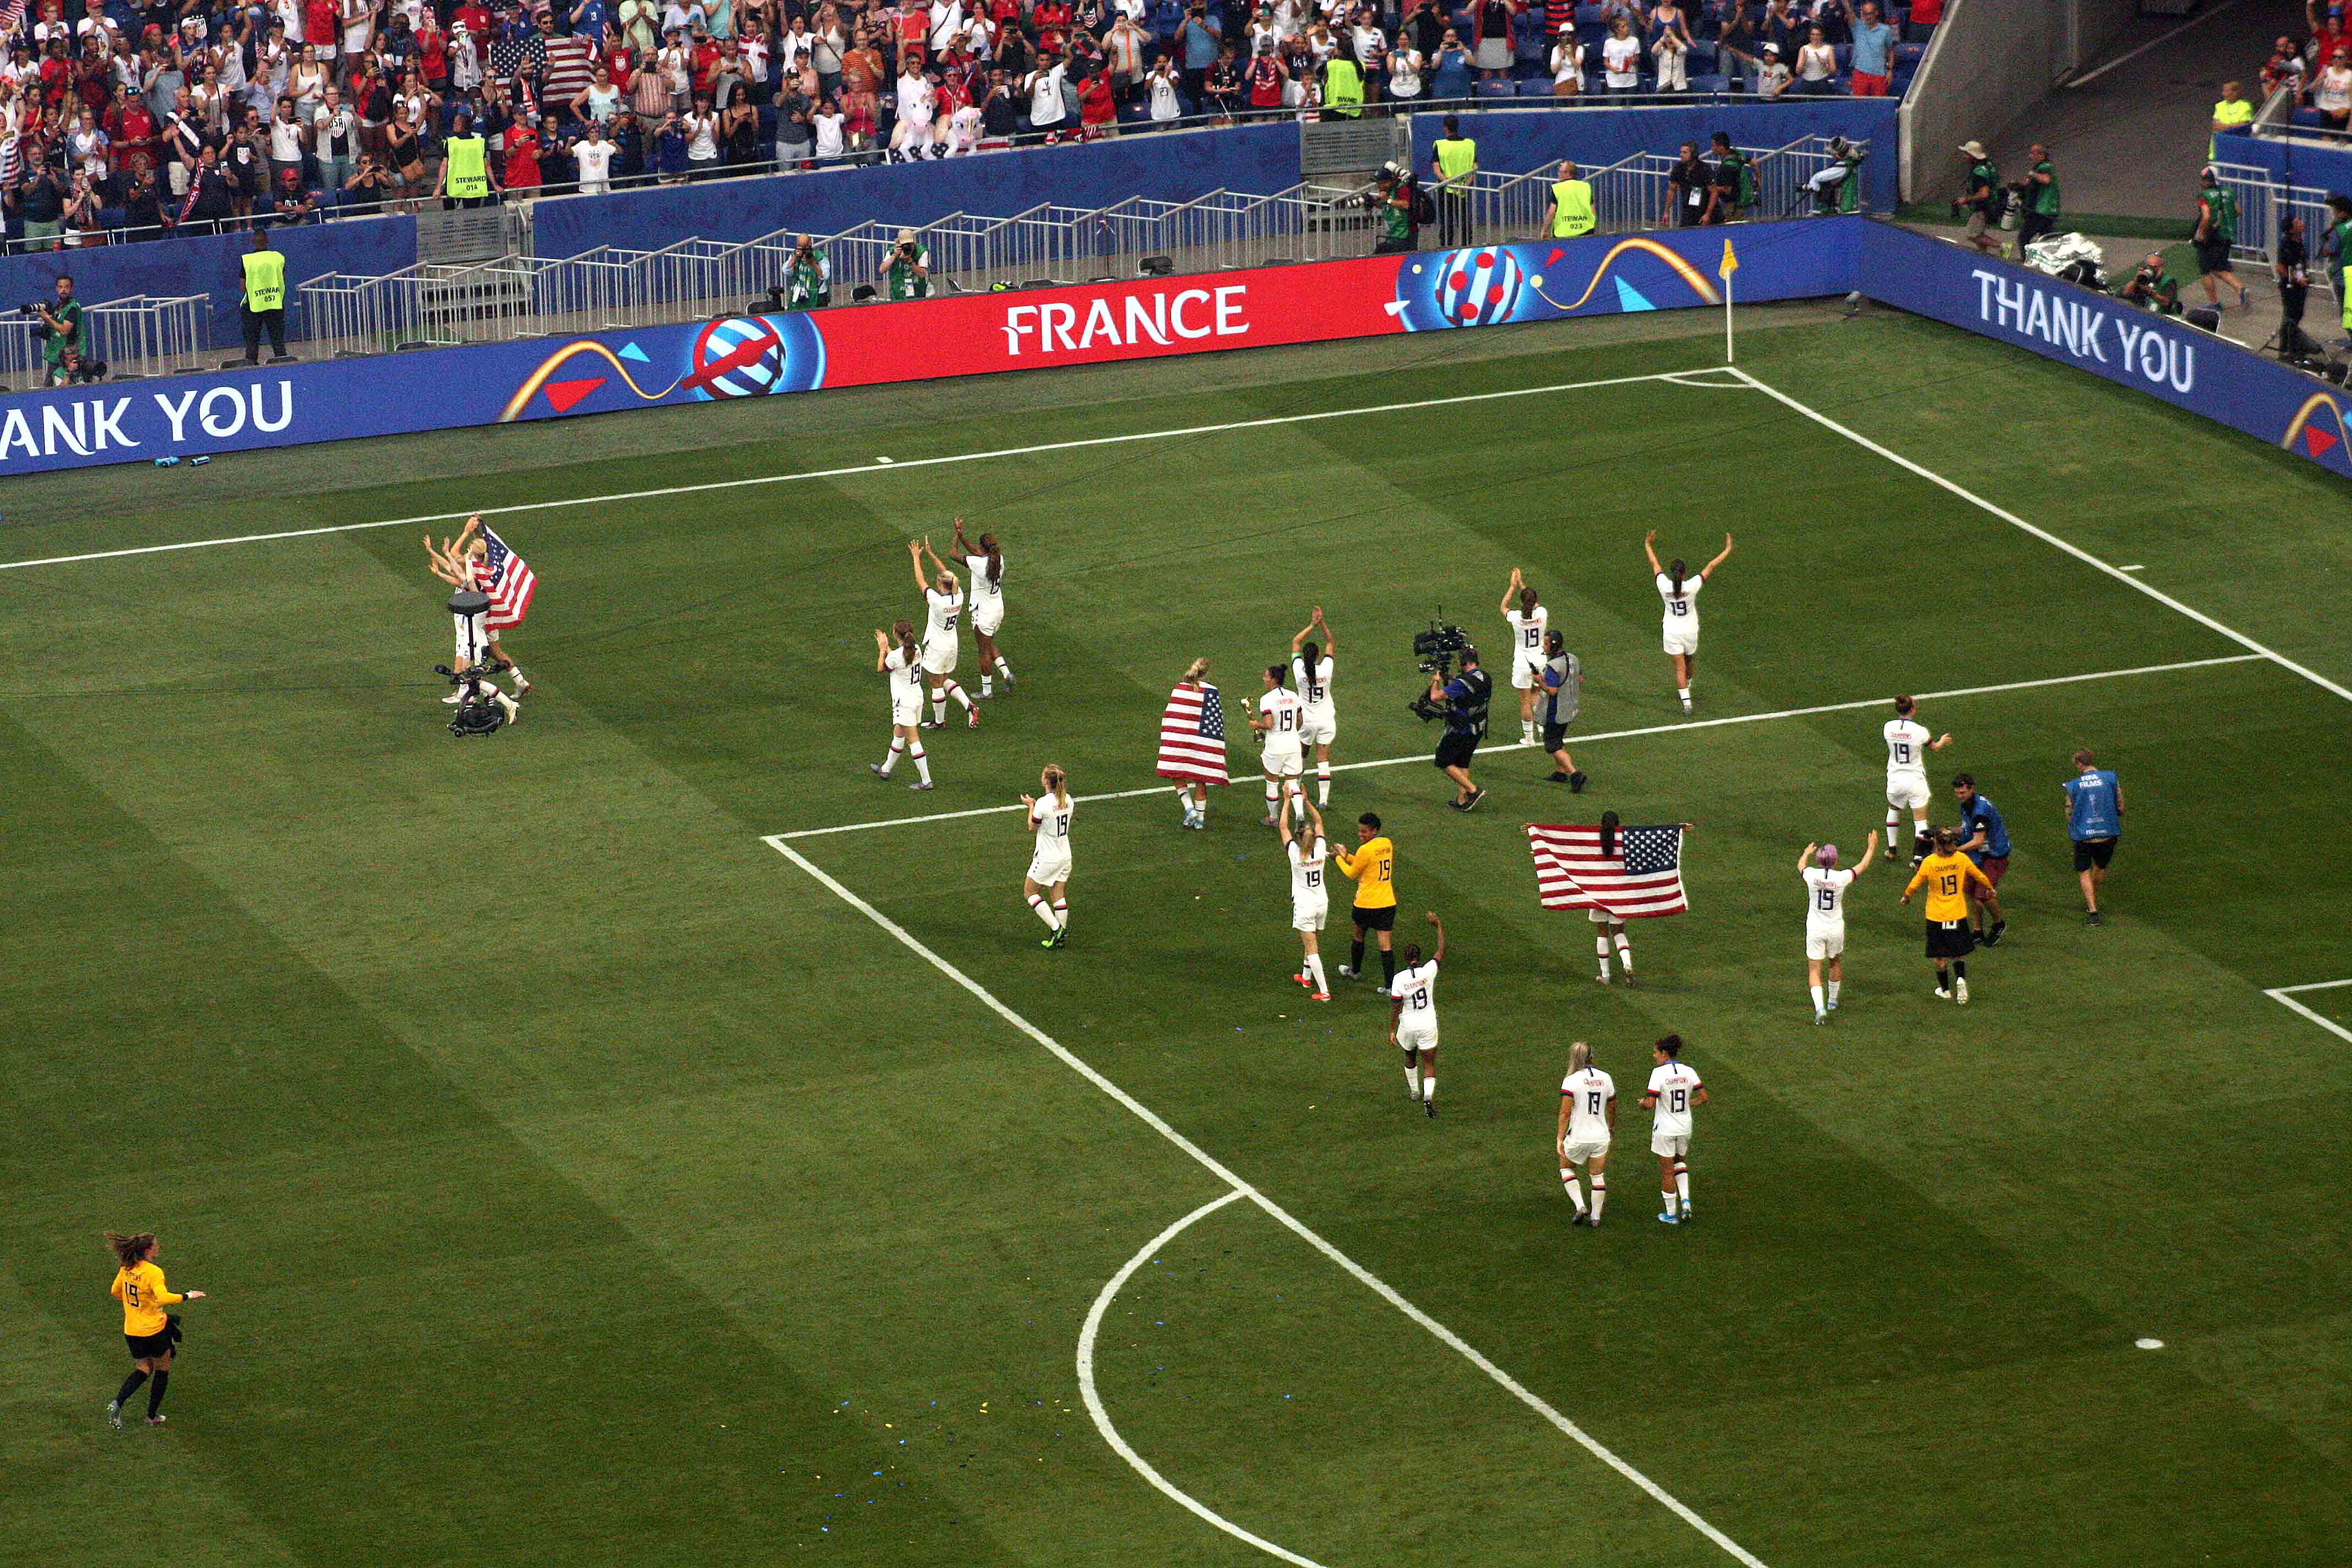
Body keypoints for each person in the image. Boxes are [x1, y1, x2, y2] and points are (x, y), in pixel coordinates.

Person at [105, 1231, 206, 1429]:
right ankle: (151, 1417)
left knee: (143, 1368)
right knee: (162, 1368)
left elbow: (115, 1291)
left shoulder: (127, 1268)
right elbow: (163, 1297)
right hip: (154, 1330)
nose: (158, 1248)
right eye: (156, 1245)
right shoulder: (153, 1272)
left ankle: (118, 1402)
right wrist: (188, 1295)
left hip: (132, 1331)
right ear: (148, 1250)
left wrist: (137, 1305)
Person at [1643, 529, 1733, 714]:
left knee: (1679, 668)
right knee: (1689, 661)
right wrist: (1727, 550)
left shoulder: (1664, 585)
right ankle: (1688, 685)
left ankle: (1687, 705)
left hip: (1672, 632)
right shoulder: (1691, 586)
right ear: (1684, 574)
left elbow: (1654, 564)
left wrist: (1648, 544)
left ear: (1672, 573)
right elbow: (1710, 567)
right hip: (1690, 631)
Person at [1901, 826, 1992, 1004]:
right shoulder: (1961, 859)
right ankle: (1960, 979)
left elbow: (1916, 882)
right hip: (1957, 914)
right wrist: (1990, 888)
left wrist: (1907, 896)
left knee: (1939, 956)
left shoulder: (1930, 862)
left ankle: (1945, 990)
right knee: (1958, 952)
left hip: (1936, 916)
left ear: (1937, 845)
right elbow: (1979, 876)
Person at [1800, 836, 1875, 1023]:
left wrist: (1806, 853)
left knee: (1814, 969)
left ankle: (1820, 1009)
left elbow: (1801, 866)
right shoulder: (1841, 877)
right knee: (1835, 962)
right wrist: (1871, 847)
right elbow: (1862, 866)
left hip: (1815, 928)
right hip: (1835, 928)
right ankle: (1832, 1001)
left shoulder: (1811, 875)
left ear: (1819, 859)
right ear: (1835, 860)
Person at [911, 538, 979, 729]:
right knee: (945, 679)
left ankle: (939, 722)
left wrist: (916, 557)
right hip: (952, 644)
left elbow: (920, 581)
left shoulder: (937, 602)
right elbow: (946, 574)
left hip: (937, 646)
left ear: (942, 586)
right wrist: (932, 554)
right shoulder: (959, 596)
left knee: (936, 683)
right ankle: (970, 706)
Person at [1640, 1033, 1706, 1224]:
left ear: (1665, 1053)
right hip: (1685, 1126)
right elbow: (1704, 1098)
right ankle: (1685, 1201)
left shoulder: (1658, 1074)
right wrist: (1688, 1104)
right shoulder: (1689, 1071)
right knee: (1680, 1162)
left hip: (1666, 1129)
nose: (1654, 1056)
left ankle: (1671, 1215)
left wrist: (1642, 1104)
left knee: (1667, 1171)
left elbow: (1650, 1103)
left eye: (1656, 1053)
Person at [1386, 910, 1444, 1117]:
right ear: (1419, 958)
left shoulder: (1399, 979)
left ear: (1405, 958)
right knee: (1429, 1064)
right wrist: (1438, 925)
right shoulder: (1428, 971)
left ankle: (1414, 1091)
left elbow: (1396, 1006)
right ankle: (1428, 1098)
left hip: (1408, 1025)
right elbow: (1440, 951)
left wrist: (1392, 1029)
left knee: (1410, 1056)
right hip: (1428, 1024)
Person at [1883, 694, 1952, 864]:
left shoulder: (1888, 727)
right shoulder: (1920, 731)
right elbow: (1934, 747)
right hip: (1915, 779)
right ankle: (1918, 858)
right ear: (1913, 709)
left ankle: (1892, 850)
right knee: (1920, 820)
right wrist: (1943, 741)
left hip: (1895, 779)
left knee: (1894, 808)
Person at [949, 518, 1014, 698]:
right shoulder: (998, 559)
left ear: (983, 548)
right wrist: (962, 537)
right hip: (997, 609)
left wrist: (956, 536)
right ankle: (1006, 673)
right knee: (988, 642)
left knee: (983, 650)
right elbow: (976, 551)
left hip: (984, 613)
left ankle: (987, 691)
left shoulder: (979, 564)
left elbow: (953, 554)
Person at [1332, 810, 1397, 987]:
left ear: (1374, 831)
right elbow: (1368, 863)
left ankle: (1355, 971)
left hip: (1365, 904)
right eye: (1360, 831)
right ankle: (1390, 986)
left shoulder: (1365, 850)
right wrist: (1347, 856)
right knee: (1385, 946)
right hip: (1387, 903)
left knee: (1358, 936)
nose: (1360, 834)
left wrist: (1338, 859)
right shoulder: (1387, 844)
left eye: (1364, 831)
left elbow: (1352, 873)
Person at [869, 620, 934, 788]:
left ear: (895, 634)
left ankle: (926, 781)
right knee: (899, 732)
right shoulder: (916, 649)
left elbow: (881, 668)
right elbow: (897, 659)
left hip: (904, 702)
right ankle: (886, 770)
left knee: (913, 740)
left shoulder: (897, 656)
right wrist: (888, 649)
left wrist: (882, 649)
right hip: (916, 697)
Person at [1947, 772, 2010, 946]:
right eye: (1957, 793)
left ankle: (1999, 924)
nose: (1960, 796)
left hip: (1994, 854)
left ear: (1972, 789)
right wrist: (1947, 831)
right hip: (1979, 854)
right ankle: (1978, 931)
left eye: (1963, 793)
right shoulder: (1968, 805)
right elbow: (1968, 829)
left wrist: (1956, 850)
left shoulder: (1980, 811)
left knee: (1984, 894)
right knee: (1969, 890)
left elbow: (1978, 840)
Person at [1556, 1041, 1615, 1226]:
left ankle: (1580, 1205)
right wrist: (1611, 1129)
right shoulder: (1606, 1078)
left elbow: (1565, 1113)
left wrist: (1560, 1138)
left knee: (1566, 1168)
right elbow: (1612, 1109)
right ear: (1593, 1057)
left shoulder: (1571, 1081)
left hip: (1578, 1136)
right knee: (1597, 1175)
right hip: (1601, 1136)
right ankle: (1596, 1217)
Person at [1427, 643, 1490, 812]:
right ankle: (1462, 801)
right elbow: (1467, 686)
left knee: (1443, 760)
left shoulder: (1461, 684)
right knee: (1462, 762)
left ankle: (1473, 791)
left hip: (1462, 728)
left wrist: (1436, 680)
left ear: (1464, 662)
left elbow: (1435, 697)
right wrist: (1452, 679)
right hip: (1478, 728)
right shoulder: (1484, 677)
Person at [1280, 795, 1331, 1000]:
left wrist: (1286, 800)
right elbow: (1319, 821)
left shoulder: (1295, 853)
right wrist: (1308, 802)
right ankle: (1306, 977)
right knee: (1311, 939)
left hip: (1305, 906)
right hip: (1322, 903)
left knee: (1312, 948)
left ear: (1299, 838)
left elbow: (1283, 827)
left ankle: (1324, 991)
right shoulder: (1320, 848)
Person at [2062, 747, 2121, 926]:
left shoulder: (2074, 785)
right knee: (2100, 867)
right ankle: (2092, 899)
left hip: (2084, 835)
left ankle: (2093, 910)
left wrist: (2074, 825)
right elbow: (2120, 805)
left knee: (2084, 871)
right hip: (2108, 833)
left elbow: (2069, 811)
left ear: (2079, 764)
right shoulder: (2110, 778)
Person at [1020, 763, 1074, 946]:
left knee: (1030, 892)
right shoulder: (1068, 800)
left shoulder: (1043, 803)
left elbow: (1032, 826)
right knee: (1058, 893)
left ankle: (1056, 929)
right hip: (1065, 854)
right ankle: (1060, 938)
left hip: (1047, 857)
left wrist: (1031, 805)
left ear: (1045, 781)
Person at [1289, 608, 1337, 808]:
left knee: (1301, 756)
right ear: (1318, 656)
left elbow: (1296, 642)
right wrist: (1321, 623)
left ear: (1304, 656)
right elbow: (1330, 642)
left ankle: (1295, 791)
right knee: (1323, 760)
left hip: (1306, 722)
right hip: (1326, 720)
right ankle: (1323, 801)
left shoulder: (1299, 671)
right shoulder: (1326, 669)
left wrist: (1311, 625)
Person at [1251, 662, 1308, 829]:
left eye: (1266, 676)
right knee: (1293, 782)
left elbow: (1269, 724)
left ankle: (1273, 818)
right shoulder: (1293, 696)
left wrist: (1256, 725)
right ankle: (1300, 816)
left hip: (1275, 746)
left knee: (1272, 782)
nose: (1264, 679)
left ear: (1273, 679)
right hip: (1293, 743)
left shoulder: (1267, 699)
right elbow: (1300, 721)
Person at [1500, 567, 1548, 745]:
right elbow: (1534, 603)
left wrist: (1512, 586)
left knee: (1525, 702)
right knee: (1537, 693)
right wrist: (1522, 585)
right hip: (1541, 660)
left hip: (1523, 663)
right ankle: (1542, 727)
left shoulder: (1516, 618)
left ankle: (1529, 738)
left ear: (1521, 602)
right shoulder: (1542, 614)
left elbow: (1503, 607)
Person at [2193, 165, 2250, 312]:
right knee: (2219, 268)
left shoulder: (2204, 196)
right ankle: (2240, 289)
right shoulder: (2229, 192)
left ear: (2208, 181)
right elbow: (2238, 211)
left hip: (2211, 238)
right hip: (2228, 236)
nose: (2202, 182)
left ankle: (2214, 304)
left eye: (2203, 179)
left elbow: (2206, 216)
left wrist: (2200, 234)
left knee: (2205, 269)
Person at [1537, 630, 1587, 791]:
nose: (1544, 647)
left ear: (1553, 646)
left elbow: (1552, 691)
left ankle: (1574, 774)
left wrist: (1540, 681)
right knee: (1558, 739)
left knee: (1553, 745)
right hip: (1570, 708)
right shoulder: (1572, 658)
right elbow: (1580, 679)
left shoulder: (1553, 666)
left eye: (1546, 644)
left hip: (1556, 712)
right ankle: (1560, 772)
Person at [237, 229, 289, 364]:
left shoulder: (247, 260)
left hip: (253, 306)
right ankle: (284, 368)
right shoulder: (278, 258)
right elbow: (283, 279)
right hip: (275, 304)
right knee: (278, 342)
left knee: (252, 343)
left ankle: (251, 370)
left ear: (253, 242)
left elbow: (243, 287)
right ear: (267, 241)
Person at [1429, 111, 1475, 247]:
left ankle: (1446, 247)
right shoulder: (1470, 144)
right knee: (1464, 218)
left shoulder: (1440, 145)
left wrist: (1450, 183)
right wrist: (1465, 185)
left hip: (1446, 189)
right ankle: (1467, 246)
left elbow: (1437, 170)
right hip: (1463, 188)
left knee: (1446, 220)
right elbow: (1475, 169)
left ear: (1445, 128)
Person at [33, 274, 84, 388]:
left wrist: (47, 318)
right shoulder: (59, 306)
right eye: (61, 287)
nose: (63, 290)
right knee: (49, 386)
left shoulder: (72, 308)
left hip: (68, 355)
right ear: (57, 289)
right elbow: (55, 327)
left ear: (71, 288)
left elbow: (65, 331)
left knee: (60, 387)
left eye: (66, 287)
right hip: (56, 353)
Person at [1951, 139, 2000, 255]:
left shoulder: (1979, 173)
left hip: (1982, 207)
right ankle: (1984, 256)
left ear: (1972, 155)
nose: (1964, 156)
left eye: (1966, 154)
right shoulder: (1988, 164)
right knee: (1978, 233)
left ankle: (2003, 246)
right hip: (1991, 203)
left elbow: (1984, 194)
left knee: (1972, 235)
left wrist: (1966, 199)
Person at [2278, 216, 2317, 358]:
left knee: (2297, 315)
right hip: (2290, 287)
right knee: (2290, 318)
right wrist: (2297, 280)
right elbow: (2281, 268)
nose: (2302, 223)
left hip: (2300, 286)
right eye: (2297, 223)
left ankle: (2293, 347)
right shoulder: (2286, 244)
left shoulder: (2299, 241)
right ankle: (2285, 350)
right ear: (2291, 229)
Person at [2011, 143, 2057, 251]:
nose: (2030, 156)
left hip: (2041, 210)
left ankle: (2027, 260)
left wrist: (2033, 174)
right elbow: (2031, 187)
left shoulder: (2045, 167)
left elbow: (2046, 180)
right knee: (2047, 239)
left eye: (2033, 153)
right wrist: (2019, 186)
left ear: (2041, 155)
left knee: (2024, 237)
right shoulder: (2039, 167)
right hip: (2044, 211)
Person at [1540, 157, 1594, 239]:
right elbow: (1593, 210)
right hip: (1586, 231)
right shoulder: (1586, 187)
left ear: (1569, 174)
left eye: (1561, 172)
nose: (1558, 174)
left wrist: (1545, 230)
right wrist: (1593, 226)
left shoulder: (1558, 188)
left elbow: (1551, 212)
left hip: (1564, 233)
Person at [2117, 252, 2184, 315]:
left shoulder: (2168, 281)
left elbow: (2167, 303)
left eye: (2155, 267)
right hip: (2144, 313)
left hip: (2164, 316)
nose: (2152, 270)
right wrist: (2136, 280)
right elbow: (2126, 294)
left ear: (2161, 267)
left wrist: (2151, 293)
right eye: (2149, 267)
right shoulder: (2144, 278)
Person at [785, 233, 832, 309]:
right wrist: (794, 258)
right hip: (799, 294)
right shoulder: (795, 255)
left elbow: (825, 276)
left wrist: (813, 264)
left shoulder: (820, 256)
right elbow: (786, 271)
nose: (804, 251)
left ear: (810, 243)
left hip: (818, 295)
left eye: (805, 247)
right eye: (801, 247)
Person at [2210, 78, 2253, 160]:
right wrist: (2233, 127)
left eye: (2226, 91)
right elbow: (2216, 127)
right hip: (2219, 148)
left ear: (2235, 93)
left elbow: (2244, 126)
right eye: (2223, 91)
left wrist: (2224, 127)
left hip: (2237, 148)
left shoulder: (2245, 106)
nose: (2223, 94)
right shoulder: (2219, 106)